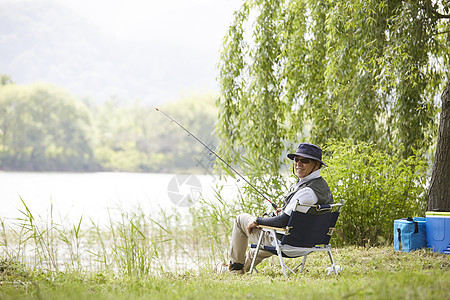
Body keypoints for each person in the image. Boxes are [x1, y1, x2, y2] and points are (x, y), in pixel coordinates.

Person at [214, 143, 334, 274]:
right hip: (309, 242)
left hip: (290, 243)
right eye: (296, 159)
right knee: (257, 249)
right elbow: (295, 215)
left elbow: (282, 221)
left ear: (316, 165)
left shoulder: (307, 191)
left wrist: (258, 220)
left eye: (304, 161)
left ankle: (234, 270)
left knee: (241, 220)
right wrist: (284, 211)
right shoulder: (321, 187)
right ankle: (236, 269)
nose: (298, 164)